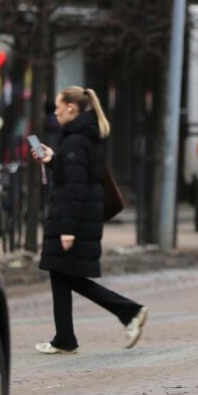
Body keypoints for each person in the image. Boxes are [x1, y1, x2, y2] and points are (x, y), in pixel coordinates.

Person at [30, 86, 148, 354]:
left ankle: (130, 312)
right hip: (81, 219)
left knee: (69, 277)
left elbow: (74, 188)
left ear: (71, 108)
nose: (55, 114)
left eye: (58, 108)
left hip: (72, 221)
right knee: (60, 275)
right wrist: (52, 160)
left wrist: (68, 230)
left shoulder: (75, 140)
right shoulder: (84, 137)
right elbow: (76, 174)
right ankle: (65, 338)